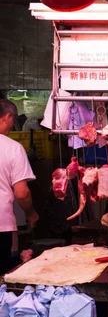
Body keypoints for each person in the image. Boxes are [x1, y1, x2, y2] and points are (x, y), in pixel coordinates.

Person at [0, 99, 38, 275]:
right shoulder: (12, 147)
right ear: (7, 117)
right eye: (13, 120)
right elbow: (22, 193)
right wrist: (31, 213)